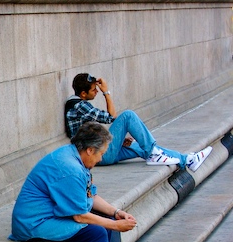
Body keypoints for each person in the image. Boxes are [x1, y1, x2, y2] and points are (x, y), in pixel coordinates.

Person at [9, 122, 138, 242]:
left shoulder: (74, 157)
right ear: (90, 150)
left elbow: (91, 196)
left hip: (50, 216)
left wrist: (116, 213)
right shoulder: (70, 169)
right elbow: (79, 215)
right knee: (97, 233)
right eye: (101, 154)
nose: (101, 159)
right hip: (34, 223)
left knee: (108, 223)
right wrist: (115, 224)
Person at [65, 73, 212, 171]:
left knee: (142, 149)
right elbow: (111, 116)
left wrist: (119, 141)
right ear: (83, 93)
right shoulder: (79, 105)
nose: (96, 92)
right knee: (127, 116)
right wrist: (106, 92)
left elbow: (89, 134)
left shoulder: (78, 104)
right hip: (96, 155)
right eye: (93, 90)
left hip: (98, 152)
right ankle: (154, 152)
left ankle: (187, 160)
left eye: (97, 90)